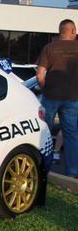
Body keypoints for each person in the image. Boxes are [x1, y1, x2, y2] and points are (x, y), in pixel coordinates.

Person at [36, 19, 78, 178]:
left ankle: (40, 169)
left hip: (50, 97)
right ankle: (72, 174)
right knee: (71, 135)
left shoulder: (49, 48)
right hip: (73, 98)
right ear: (73, 31)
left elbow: (40, 75)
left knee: (44, 133)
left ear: (60, 31)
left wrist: (45, 90)